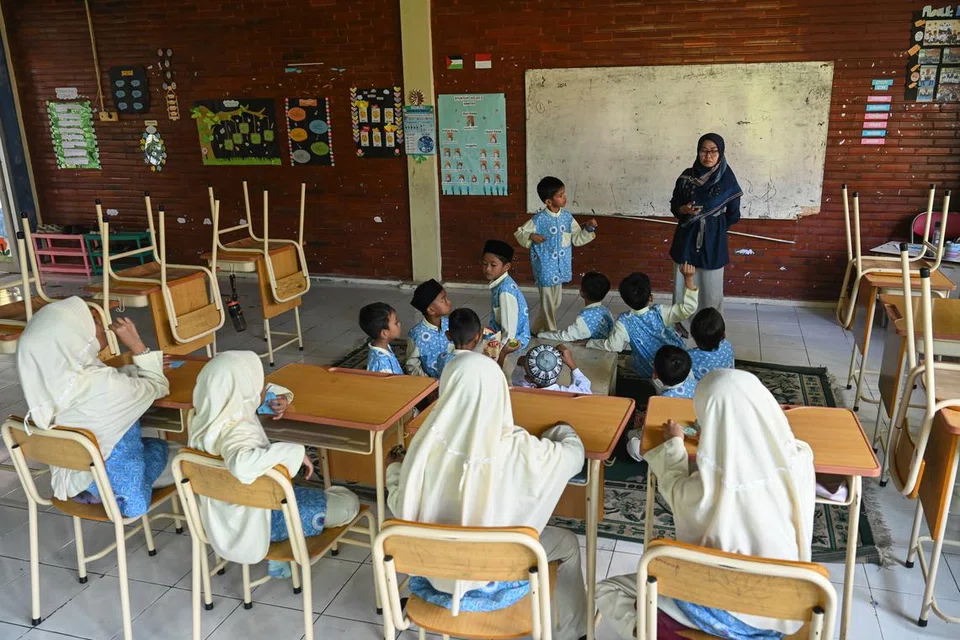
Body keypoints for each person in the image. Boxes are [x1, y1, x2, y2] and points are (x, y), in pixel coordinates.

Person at [596, 370, 815, 639]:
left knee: (607, 589)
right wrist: (723, 437)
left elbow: (674, 487)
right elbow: (793, 444)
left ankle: (658, 632)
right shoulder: (800, 464)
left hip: (716, 610)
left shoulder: (710, 489)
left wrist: (676, 444)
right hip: (781, 614)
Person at [385, 352, 588, 639]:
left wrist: (393, 469)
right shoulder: (521, 448)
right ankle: (573, 633)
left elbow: (400, 505)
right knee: (566, 543)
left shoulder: (424, 447)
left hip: (435, 573)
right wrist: (560, 430)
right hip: (497, 577)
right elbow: (574, 456)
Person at [188, 351, 360, 578]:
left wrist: (282, 398)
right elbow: (242, 466)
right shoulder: (238, 432)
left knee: (278, 488)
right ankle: (279, 550)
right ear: (245, 392)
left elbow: (251, 395)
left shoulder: (202, 421)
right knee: (348, 503)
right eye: (257, 384)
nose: (261, 388)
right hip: (262, 521)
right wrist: (295, 451)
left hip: (220, 524)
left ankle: (277, 552)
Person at [17, 297, 171, 518]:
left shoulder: (45, 386)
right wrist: (138, 346)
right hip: (124, 495)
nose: (101, 327)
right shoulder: (107, 387)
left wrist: (135, 370)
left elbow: (100, 384)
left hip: (73, 483)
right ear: (76, 335)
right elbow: (158, 386)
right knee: (177, 455)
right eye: (94, 323)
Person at [669, 133, 743, 336]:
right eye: (704, 150)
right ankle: (682, 327)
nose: (708, 155)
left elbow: (734, 215)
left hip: (713, 242)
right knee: (683, 283)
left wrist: (715, 228)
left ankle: (710, 331)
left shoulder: (727, 179)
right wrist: (685, 210)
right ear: (698, 151)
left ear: (721, 153)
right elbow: (674, 206)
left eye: (713, 151)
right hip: (685, 240)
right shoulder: (686, 177)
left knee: (711, 288)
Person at [514, 176, 597, 333]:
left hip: (560, 267)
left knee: (555, 302)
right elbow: (519, 233)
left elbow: (577, 238)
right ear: (548, 202)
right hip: (544, 266)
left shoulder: (567, 217)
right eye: (560, 195)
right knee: (547, 302)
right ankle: (551, 332)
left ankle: (535, 329)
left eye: (564, 193)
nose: (564, 198)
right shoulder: (538, 219)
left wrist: (589, 229)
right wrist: (531, 236)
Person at [587, 266, 699, 378]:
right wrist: (688, 278)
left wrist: (589, 342)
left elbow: (613, 346)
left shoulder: (623, 322)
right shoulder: (660, 312)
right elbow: (688, 308)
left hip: (651, 372)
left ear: (626, 301)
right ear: (651, 298)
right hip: (679, 363)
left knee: (630, 361)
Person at [482, 239, 531, 350]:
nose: (487, 269)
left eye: (493, 265)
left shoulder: (505, 291)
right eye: (485, 264)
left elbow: (509, 333)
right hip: (499, 333)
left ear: (506, 266)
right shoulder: (500, 283)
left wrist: (501, 354)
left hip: (511, 344)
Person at [537, 271, 614, 342]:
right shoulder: (605, 311)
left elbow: (567, 336)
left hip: (594, 351)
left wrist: (541, 335)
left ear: (581, 292)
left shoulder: (585, 317)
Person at [405, 279, 455, 378]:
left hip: (453, 376)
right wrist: (427, 382)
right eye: (443, 299)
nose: (448, 302)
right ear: (431, 310)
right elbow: (412, 364)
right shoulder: (416, 335)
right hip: (431, 382)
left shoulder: (451, 323)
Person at [510, 344, 592, 394]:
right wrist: (572, 365)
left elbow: (516, 380)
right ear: (559, 372)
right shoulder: (572, 394)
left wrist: (519, 362)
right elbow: (585, 388)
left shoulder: (521, 392)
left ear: (528, 379)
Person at [688, 307, 735, 381]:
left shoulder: (690, 357)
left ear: (694, 337)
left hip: (704, 390)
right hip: (726, 383)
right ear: (723, 334)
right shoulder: (727, 346)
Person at [359, 302, 403, 373]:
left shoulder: (382, 346)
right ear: (384, 334)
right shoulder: (383, 367)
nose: (399, 324)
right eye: (395, 322)